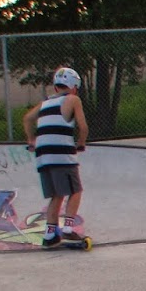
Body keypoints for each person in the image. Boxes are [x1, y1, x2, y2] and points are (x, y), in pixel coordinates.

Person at [22, 66, 90, 246]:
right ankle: (68, 228)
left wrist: (31, 140)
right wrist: (81, 143)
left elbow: (28, 118)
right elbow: (83, 127)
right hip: (61, 153)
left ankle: (50, 234)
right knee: (75, 190)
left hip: (43, 155)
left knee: (56, 194)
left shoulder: (44, 104)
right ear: (74, 86)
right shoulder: (72, 99)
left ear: (55, 87)